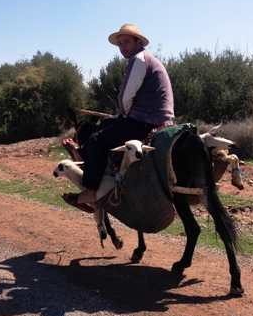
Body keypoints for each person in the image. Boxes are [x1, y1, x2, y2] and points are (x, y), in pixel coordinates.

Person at [63, 24, 175, 212]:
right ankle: (82, 152)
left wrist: (124, 115)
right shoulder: (146, 58)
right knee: (106, 123)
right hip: (155, 115)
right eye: (120, 44)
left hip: (147, 118)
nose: (123, 47)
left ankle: (90, 190)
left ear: (138, 42)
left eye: (127, 42)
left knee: (99, 139)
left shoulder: (138, 60)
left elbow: (125, 97)